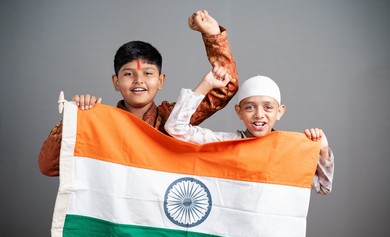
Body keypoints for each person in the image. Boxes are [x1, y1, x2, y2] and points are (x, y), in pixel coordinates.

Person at [38, 10, 239, 176]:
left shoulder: (173, 118)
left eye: (148, 73)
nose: (139, 80)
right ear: (116, 82)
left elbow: (225, 87)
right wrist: (76, 118)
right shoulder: (100, 122)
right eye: (128, 74)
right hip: (114, 220)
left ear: (160, 81)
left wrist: (213, 35)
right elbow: (49, 166)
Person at [165, 67, 334, 194]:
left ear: (279, 111)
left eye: (268, 107)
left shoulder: (287, 152)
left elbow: (323, 186)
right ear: (239, 112)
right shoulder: (224, 143)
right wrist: (206, 84)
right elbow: (175, 128)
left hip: (267, 236)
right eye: (250, 107)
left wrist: (323, 150)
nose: (259, 115)